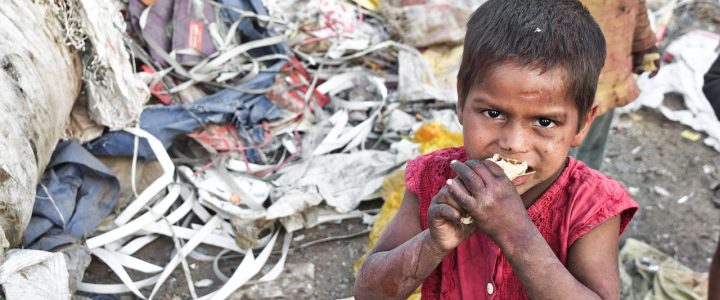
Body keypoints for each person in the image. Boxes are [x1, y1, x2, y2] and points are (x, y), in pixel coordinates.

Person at [354, 0, 639, 299]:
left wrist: (515, 232)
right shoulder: (434, 180)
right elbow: (369, 292)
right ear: (462, 101)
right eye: (493, 113)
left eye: (544, 121)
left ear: (582, 124)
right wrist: (432, 244)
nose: (514, 143)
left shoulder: (591, 205)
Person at [571, 0, 660, 170]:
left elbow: (635, 4)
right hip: (565, 74)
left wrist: (644, 44)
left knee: (590, 152)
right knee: (558, 158)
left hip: (610, 73)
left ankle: (587, 192)